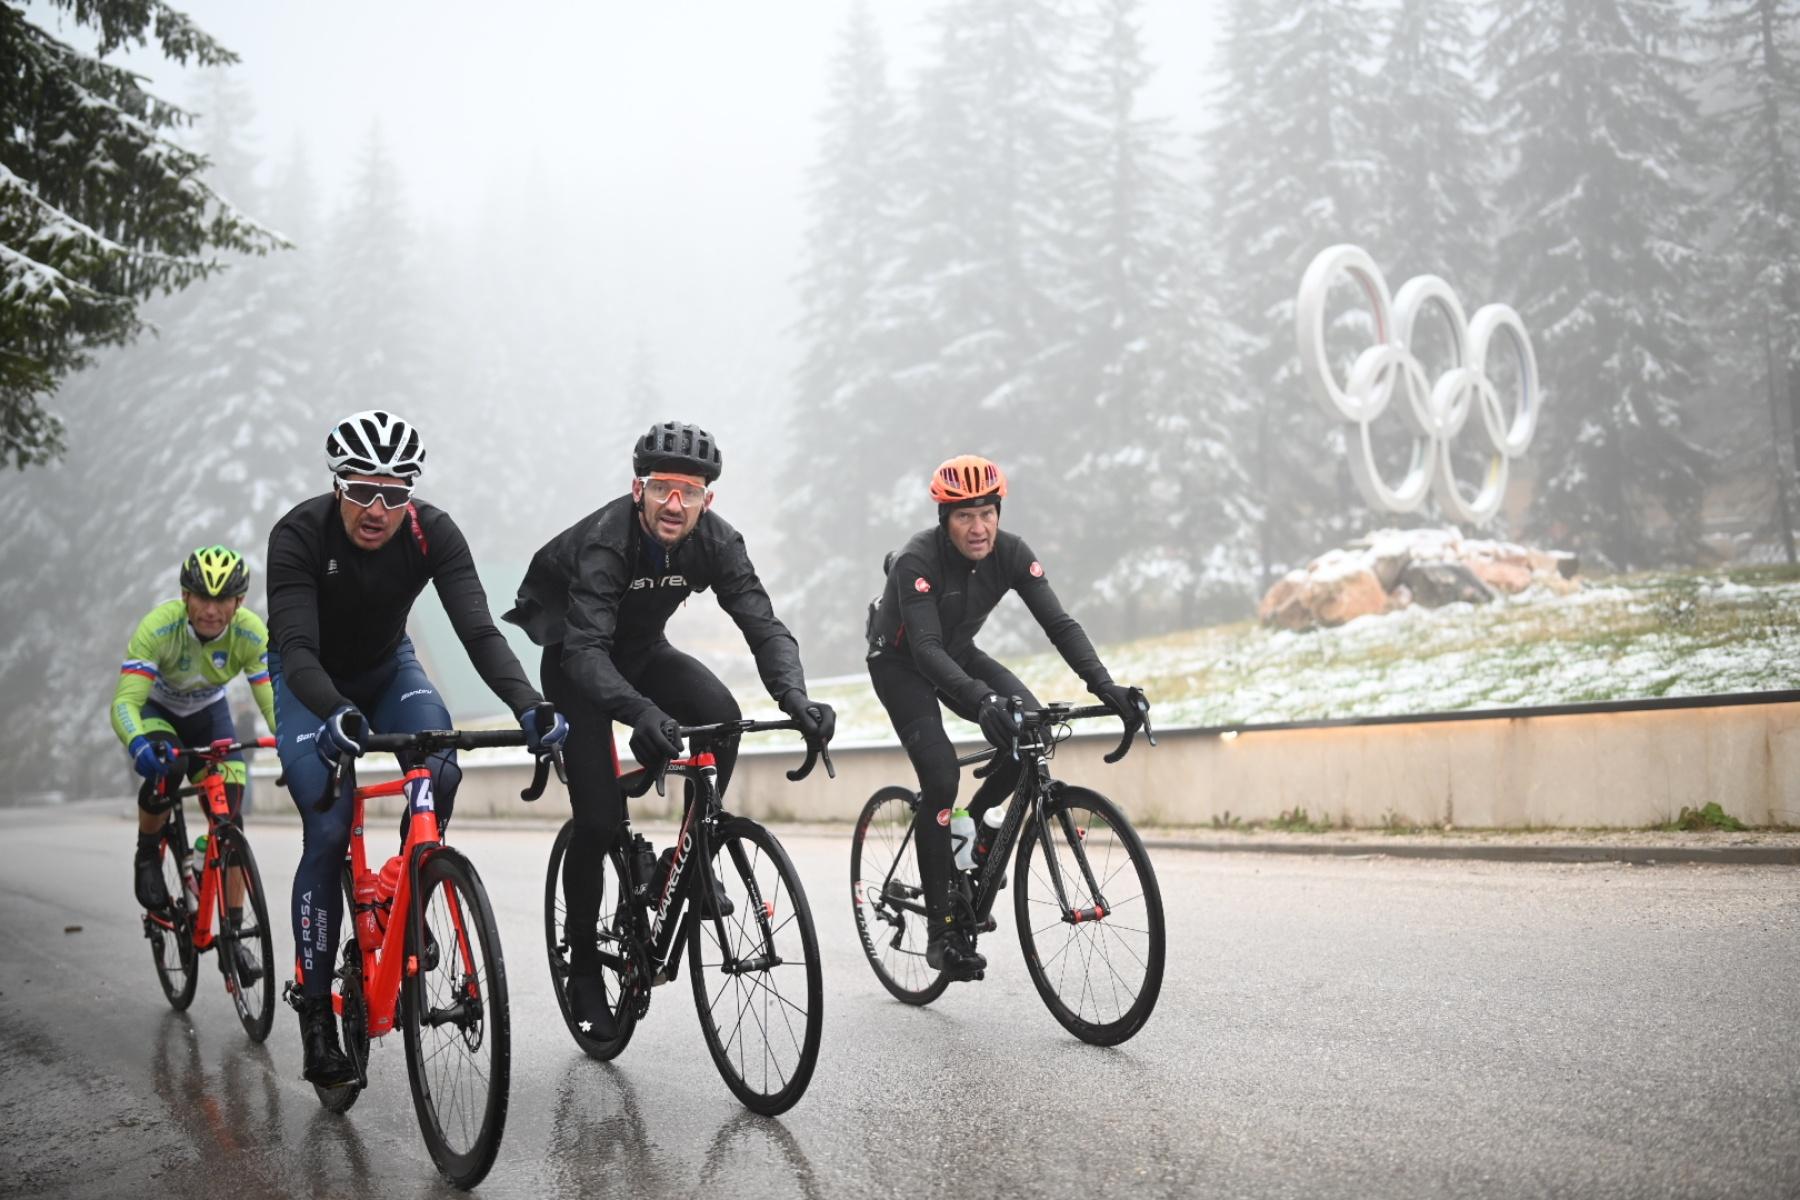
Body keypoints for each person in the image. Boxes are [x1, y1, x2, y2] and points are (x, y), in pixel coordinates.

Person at [266, 409, 567, 1086]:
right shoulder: (298, 535)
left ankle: (408, 897)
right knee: (328, 825)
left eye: (395, 493)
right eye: (361, 491)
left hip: (387, 667)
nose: (378, 508)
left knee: (440, 770)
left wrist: (529, 703)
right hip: (309, 679)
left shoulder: (434, 535)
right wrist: (336, 710)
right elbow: (296, 648)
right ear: (336, 484)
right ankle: (316, 1010)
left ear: (411, 493)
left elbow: (478, 632)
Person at [507, 420, 834, 1037]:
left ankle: (687, 857)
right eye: (662, 488)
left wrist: (797, 697)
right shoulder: (608, 542)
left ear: (708, 498)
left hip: (642, 651)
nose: (675, 503)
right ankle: (581, 967)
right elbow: (584, 654)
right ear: (640, 490)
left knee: (723, 720)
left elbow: (762, 625)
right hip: (577, 664)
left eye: (689, 490)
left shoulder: (716, 540)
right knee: (600, 825)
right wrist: (641, 713)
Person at [865, 455, 1143, 981]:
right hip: (901, 662)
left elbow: (1059, 623)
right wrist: (981, 702)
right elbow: (924, 649)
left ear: (999, 511)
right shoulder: (916, 559)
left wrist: (1106, 687)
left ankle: (973, 837)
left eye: (987, 513)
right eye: (965, 515)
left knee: (1030, 730)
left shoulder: (1012, 553)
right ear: (945, 520)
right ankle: (942, 930)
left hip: (959, 650)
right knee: (941, 774)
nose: (979, 527)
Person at [111, 545, 277, 986]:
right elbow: (125, 702)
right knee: (165, 772)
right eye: (202, 597)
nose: (211, 609)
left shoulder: (248, 633)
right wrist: (139, 742)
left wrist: (292, 741)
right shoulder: (159, 628)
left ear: (239, 602)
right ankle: (148, 854)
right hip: (158, 712)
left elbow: (273, 701)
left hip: (209, 715)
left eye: (223, 599)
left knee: (231, 818)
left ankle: (235, 934)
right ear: (185, 596)